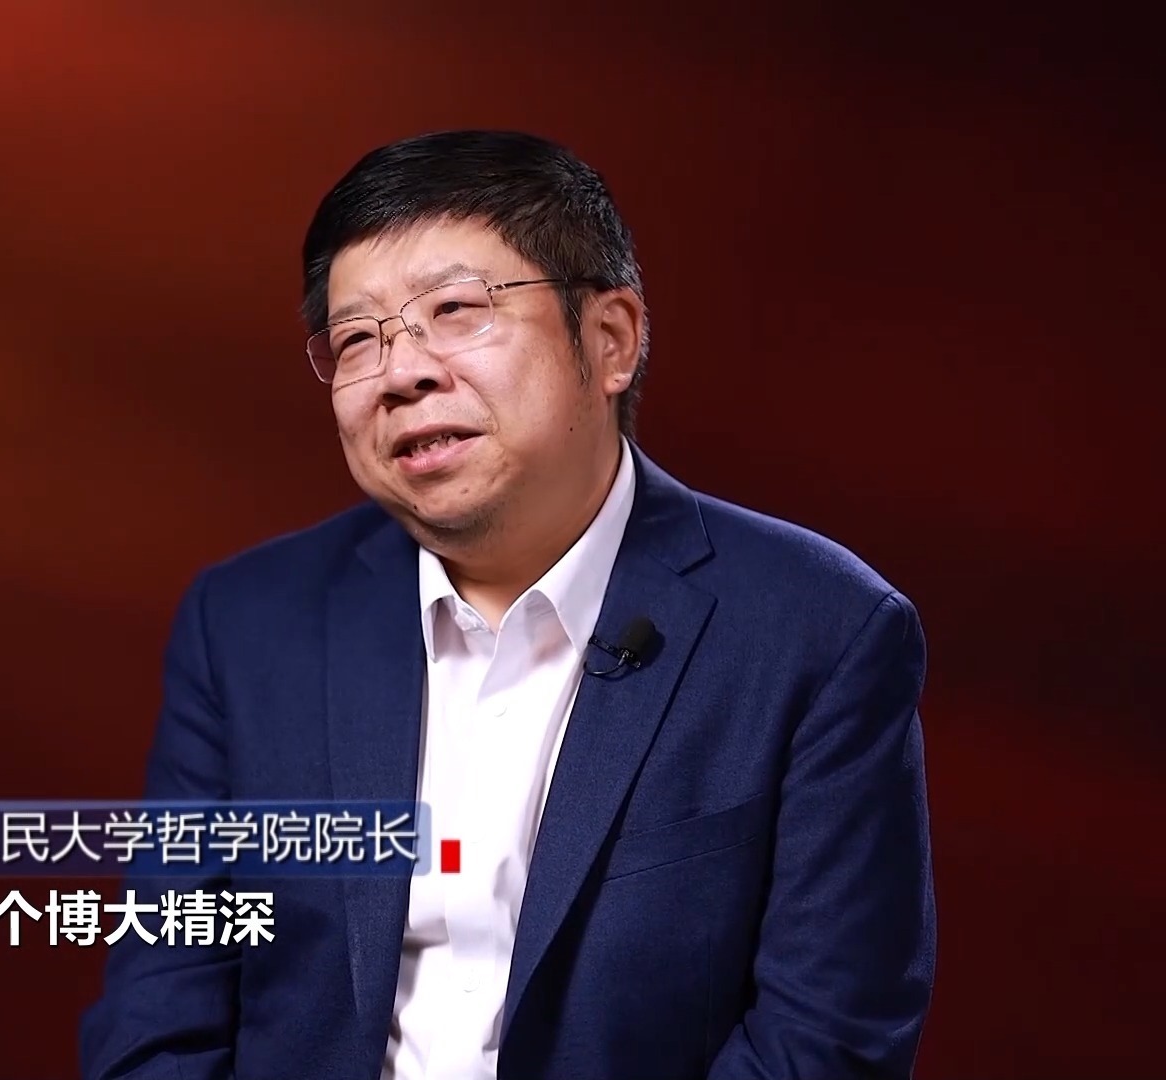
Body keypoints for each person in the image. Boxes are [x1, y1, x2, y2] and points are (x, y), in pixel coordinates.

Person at [78, 129, 935, 1080]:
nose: (402, 373)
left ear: (610, 340)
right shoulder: (246, 625)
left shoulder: (819, 631)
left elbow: (825, 1043)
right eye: (357, 339)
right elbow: (162, 1013)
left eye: (455, 310)